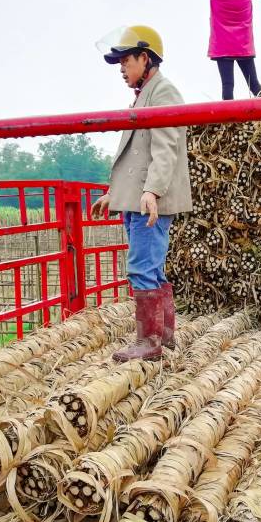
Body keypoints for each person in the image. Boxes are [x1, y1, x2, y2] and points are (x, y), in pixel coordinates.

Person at [91, 25, 193, 362]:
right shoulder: (146, 93)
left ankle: (149, 343)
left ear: (144, 58)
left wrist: (152, 191)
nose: (121, 68)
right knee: (152, 269)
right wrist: (114, 194)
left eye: (125, 60)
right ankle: (164, 335)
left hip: (150, 201)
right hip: (138, 198)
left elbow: (165, 149)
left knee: (141, 268)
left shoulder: (163, 93)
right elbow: (138, 157)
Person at [189, 0, 261, 100]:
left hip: (222, 46)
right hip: (243, 46)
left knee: (227, 86)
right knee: (254, 85)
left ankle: (229, 118)